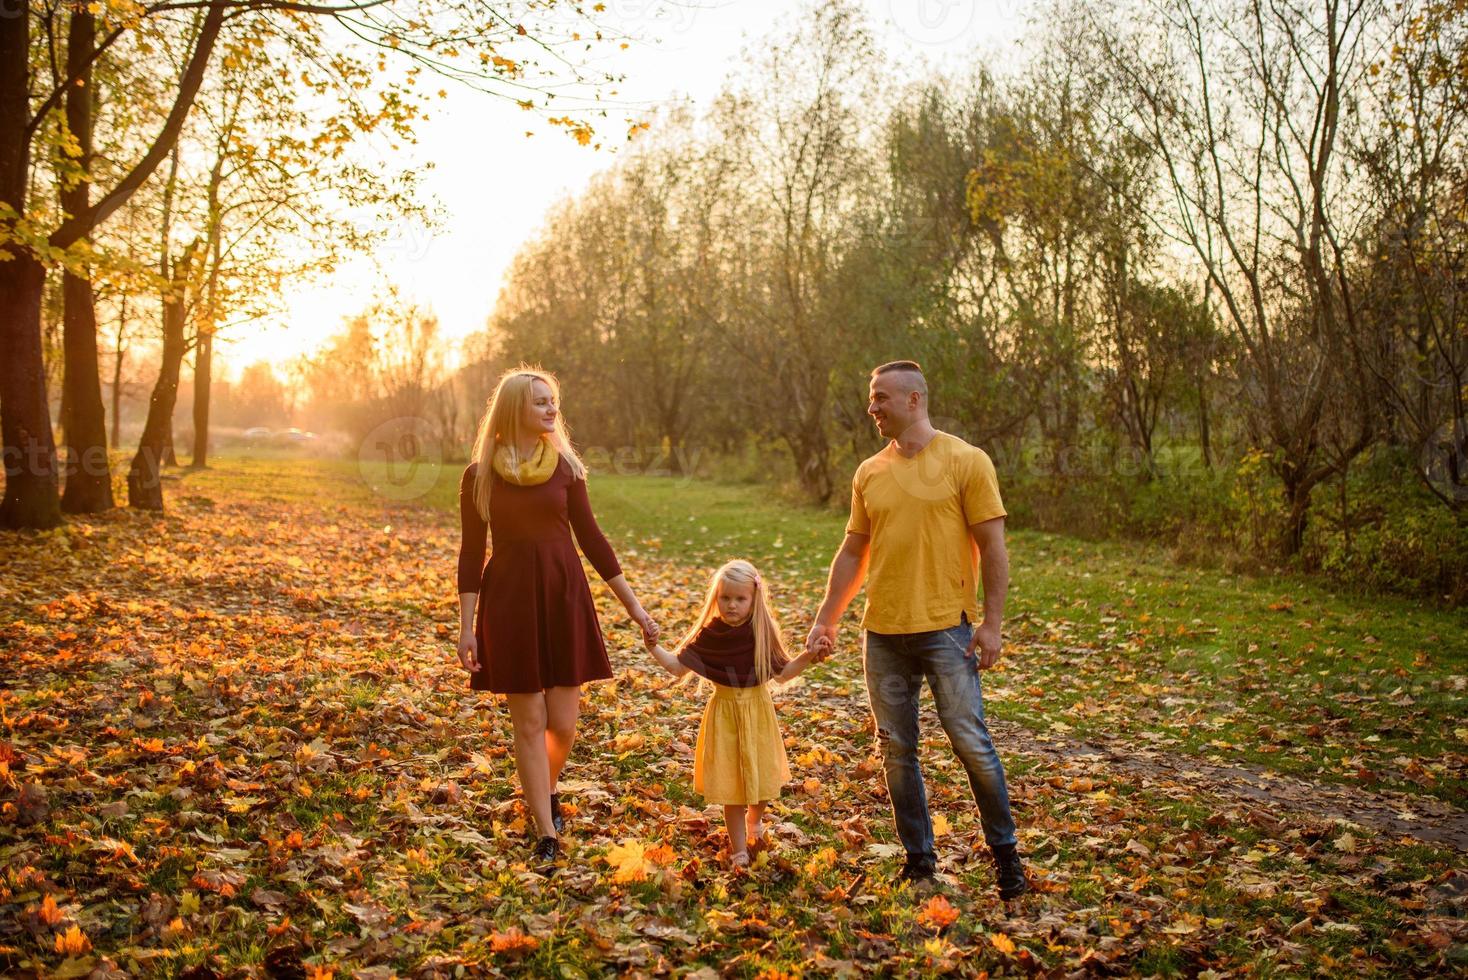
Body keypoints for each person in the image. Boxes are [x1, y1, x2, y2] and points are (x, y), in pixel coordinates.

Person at [805, 360, 1029, 899]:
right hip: (881, 634)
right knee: (896, 750)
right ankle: (919, 861)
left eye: (881, 396)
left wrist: (992, 624)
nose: (872, 406)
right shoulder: (869, 472)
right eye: (870, 396)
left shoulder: (965, 460)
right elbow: (854, 550)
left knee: (970, 742)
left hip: (946, 631)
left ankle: (1006, 858)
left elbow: (994, 547)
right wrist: (826, 617)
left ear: (914, 399)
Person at [456, 367, 659, 868]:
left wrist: (633, 607)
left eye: (554, 402)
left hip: (563, 594)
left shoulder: (565, 467)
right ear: (514, 410)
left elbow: (592, 540)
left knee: (562, 725)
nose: (552, 409)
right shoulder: (479, 475)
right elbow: (470, 550)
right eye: (541, 402)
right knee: (528, 723)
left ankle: (544, 791)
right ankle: (545, 830)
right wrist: (466, 626)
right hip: (510, 602)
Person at [644, 559, 818, 868]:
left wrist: (810, 655)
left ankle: (756, 819)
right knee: (732, 786)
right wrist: (653, 647)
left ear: (753, 599)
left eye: (740, 599)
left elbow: (784, 673)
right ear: (716, 598)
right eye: (725, 598)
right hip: (724, 715)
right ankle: (739, 848)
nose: (732, 605)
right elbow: (676, 668)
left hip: (758, 712)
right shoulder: (711, 635)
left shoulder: (761, 632)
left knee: (764, 780)